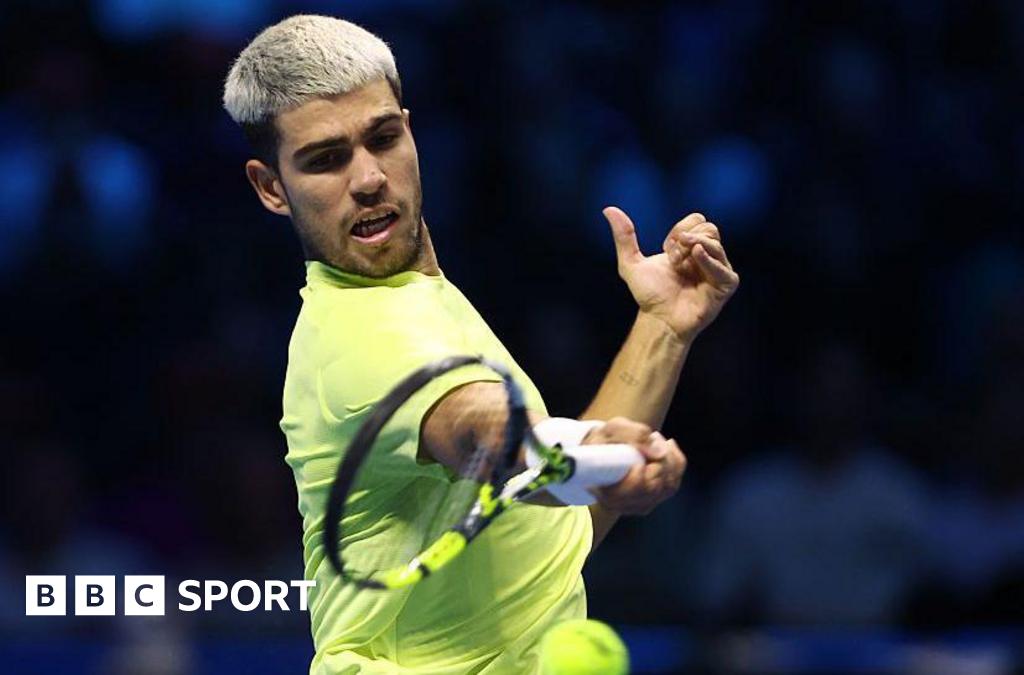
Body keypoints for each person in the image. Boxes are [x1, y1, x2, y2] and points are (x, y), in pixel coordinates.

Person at [222, 15, 738, 674]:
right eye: (326, 159)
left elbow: (556, 535)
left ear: (410, 130)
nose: (369, 178)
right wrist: (600, 457)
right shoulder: (359, 341)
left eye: (383, 138)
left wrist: (663, 326)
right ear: (272, 187)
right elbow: (489, 438)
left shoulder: (423, 298)